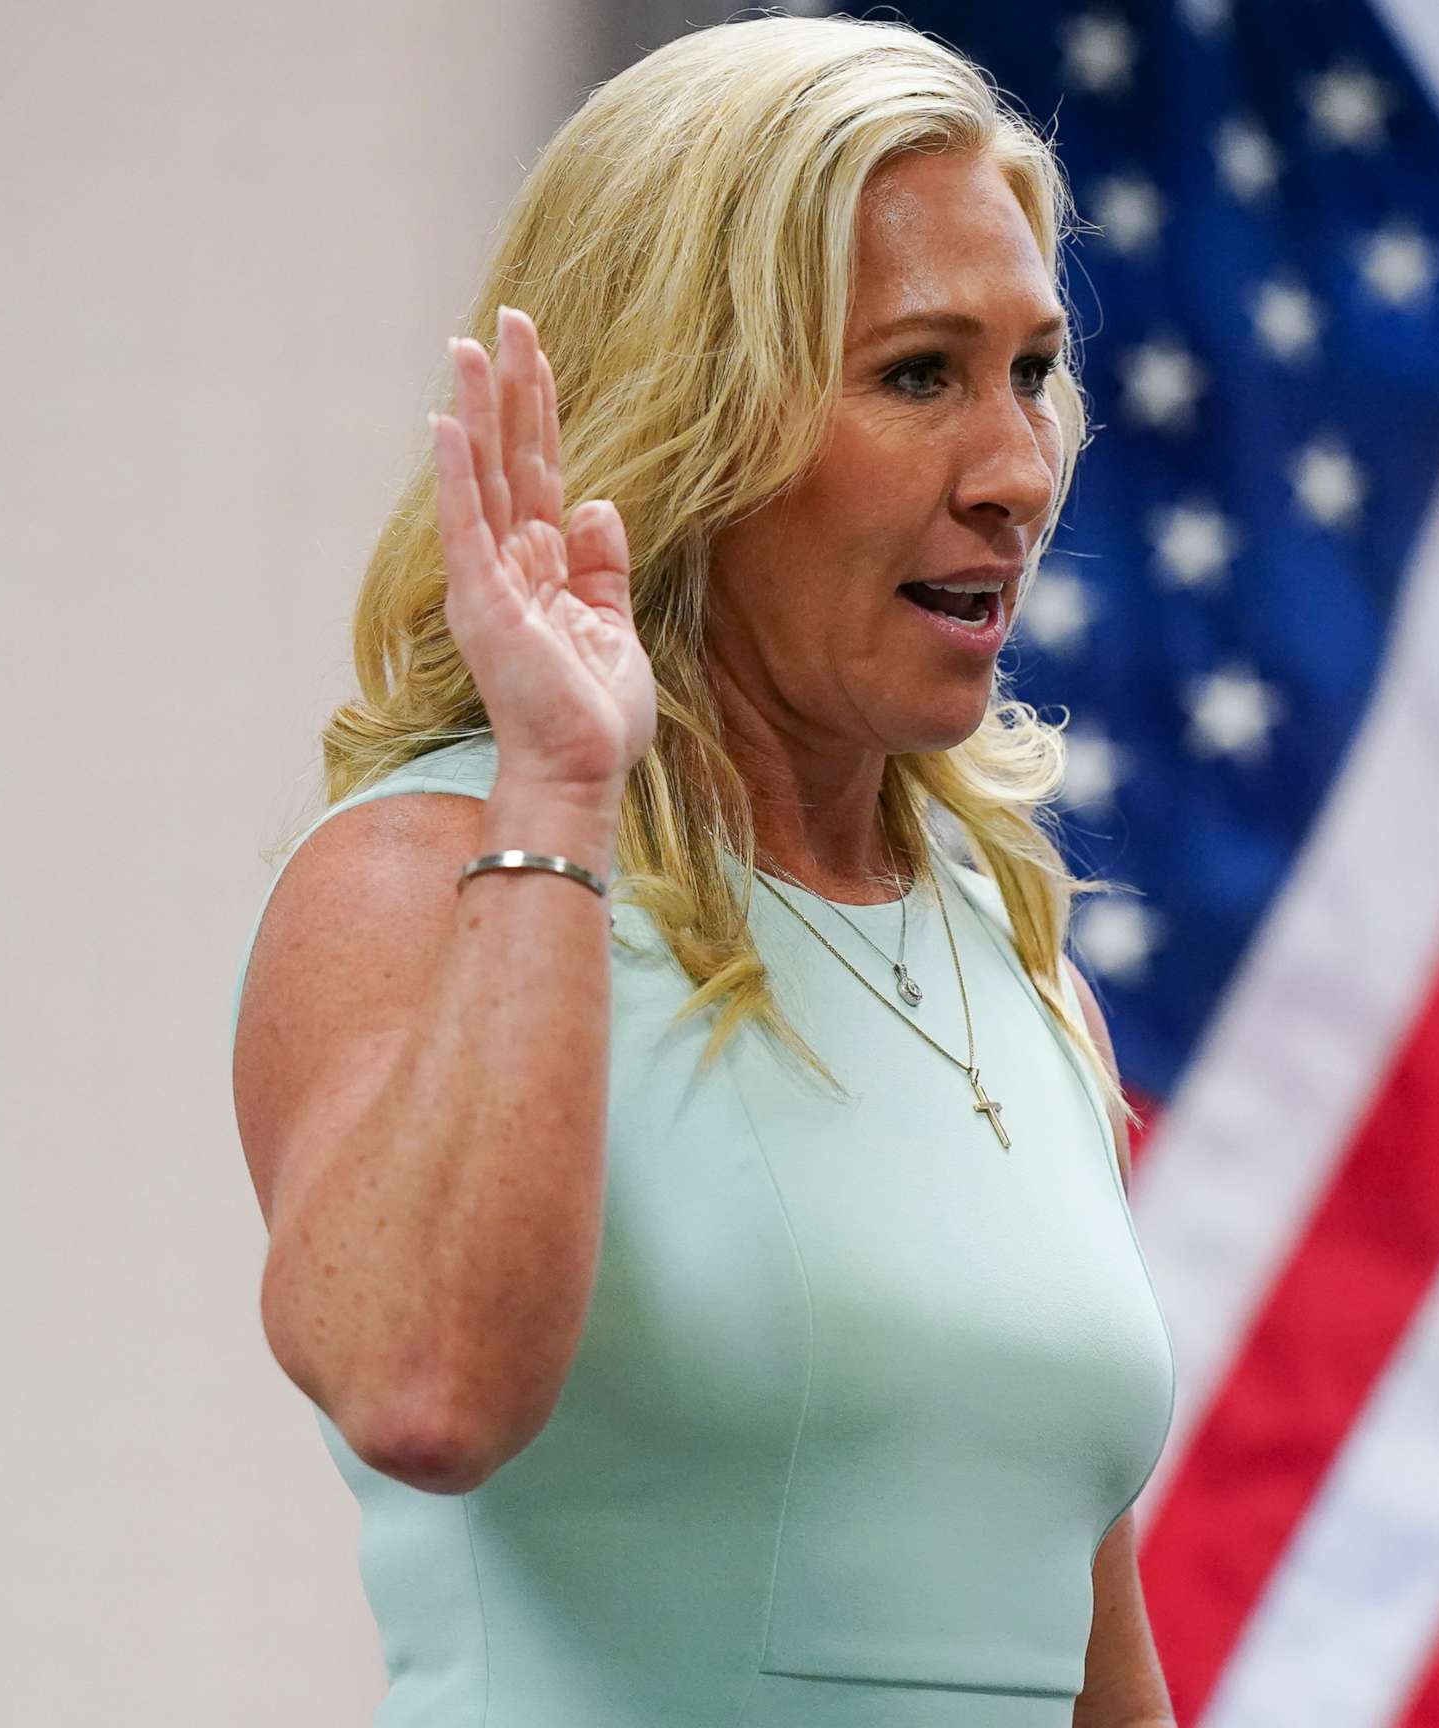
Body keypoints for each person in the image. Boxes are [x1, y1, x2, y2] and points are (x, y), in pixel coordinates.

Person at [229, 15, 1177, 1725]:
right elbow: (423, 1390)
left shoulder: (1015, 962)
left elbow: (1092, 1663)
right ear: (694, 415)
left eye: (1033, 370)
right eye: (918, 375)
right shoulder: (422, 874)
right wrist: (567, 786)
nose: (1018, 473)